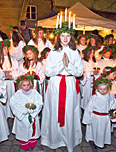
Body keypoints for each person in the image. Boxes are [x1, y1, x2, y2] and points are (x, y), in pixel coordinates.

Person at [41, 22, 83, 152]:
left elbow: (79, 72)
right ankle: (54, 139)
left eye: (68, 36)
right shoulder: (53, 52)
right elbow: (48, 72)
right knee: (54, 110)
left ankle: (69, 138)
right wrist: (61, 64)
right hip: (56, 84)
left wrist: (68, 65)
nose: (65, 39)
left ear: (71, 37)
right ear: (58, 37)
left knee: (69, 111)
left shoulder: (75, 52)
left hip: (69, 85)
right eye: (62, 36)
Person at [10, 75, 43, 150]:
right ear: (20, 85)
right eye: (24, 85)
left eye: (28, 85)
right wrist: (23, 111)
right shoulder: (17, 94)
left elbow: (39, 102)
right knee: (22, 129)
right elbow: (13, 104)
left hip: (32, 115)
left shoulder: (34, 92)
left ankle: (32, 138)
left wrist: (34, 111)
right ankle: (23, 140)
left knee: (32, 127)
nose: (26, 87)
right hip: (22, 116)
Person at [82, 77, 116, 150]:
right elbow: (88, 108)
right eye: (101, 89)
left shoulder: (110, 97)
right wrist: (87, 119)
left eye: (105, 89)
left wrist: (112, 117)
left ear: (108, 89)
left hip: (105, 118)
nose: (103, 91)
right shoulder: (94, 98)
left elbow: (112, 107)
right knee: (95, 131)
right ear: (97, 89)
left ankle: (102, 141)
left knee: (103, 131)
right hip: (95, 117)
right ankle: (93, 141)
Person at [0, 39, 19, 119]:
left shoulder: (12, 60)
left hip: (11, 83)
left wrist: (12, 75)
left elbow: (17, 70)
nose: (6, 51)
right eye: (4, 49)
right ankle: (3, 115)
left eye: (7, 49)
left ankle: (11, 114)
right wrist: (4, 74)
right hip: (2, 83)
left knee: (11, 99)